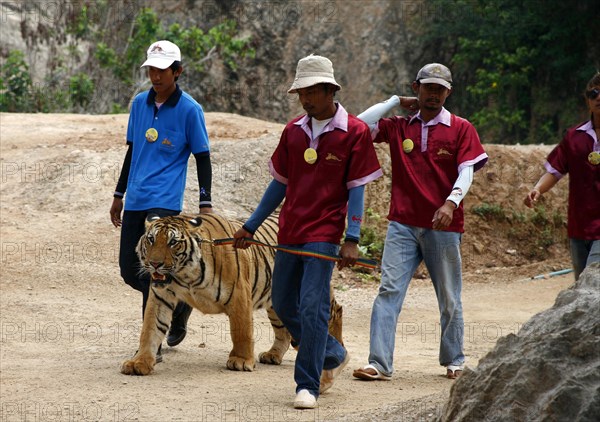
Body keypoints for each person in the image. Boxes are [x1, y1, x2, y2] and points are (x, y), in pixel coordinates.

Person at [232, 54, 383, 409]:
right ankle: (332, 352)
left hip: (325, 232)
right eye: (300, 92)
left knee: (312, 306)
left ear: (330, 89)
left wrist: (353, 239)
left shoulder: (355, 133)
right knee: (283, 302)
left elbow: (357, 188)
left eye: (311, 91)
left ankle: (307, 384)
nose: (304, 99)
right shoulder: (293, 131)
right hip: (291, 230)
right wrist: (250, 226)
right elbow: (279, 185)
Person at [352, 63, 488, 381]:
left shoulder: (460, 128)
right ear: (416, 89)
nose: (434, 94)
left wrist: (451, 202)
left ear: (448, 92)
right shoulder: (399, 127)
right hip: (402, 222)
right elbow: (358, 125)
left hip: (443, 225)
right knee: (389, 290)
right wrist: (393, 101)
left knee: (449, 296)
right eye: (428, 88)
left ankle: (454, 359)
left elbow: (466, 169)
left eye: (440, 89)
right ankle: (379, 363)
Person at [109, 40, 213, 359]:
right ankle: (179, 303)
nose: (155, 76)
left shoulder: (190, 110)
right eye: (151, 69)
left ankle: (149, 346)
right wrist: (118, 194)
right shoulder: (139, 104)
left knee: (153, 269)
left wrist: (206, 203)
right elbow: (132, 152)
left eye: (162, 70)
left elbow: (203, 156)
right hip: (136, 198)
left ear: (177, 71)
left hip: (164, 202)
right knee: (130, 269)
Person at [524, 72, 600, 280]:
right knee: (581, 290)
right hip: (579, 226)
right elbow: (555, 170)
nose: (599, 97)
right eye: (594, 93)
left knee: (593, 283)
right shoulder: (574, 137)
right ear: (587, 99)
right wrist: (537, 189)